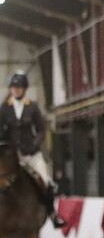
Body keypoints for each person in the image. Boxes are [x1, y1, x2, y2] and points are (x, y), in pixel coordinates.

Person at [0, 72, 66, 227]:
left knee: (46, 181)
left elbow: (41, 130)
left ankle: (52, 214)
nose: (16, 90)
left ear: (24, 89)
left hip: (31, 154)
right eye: (14, 88)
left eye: (19, 88)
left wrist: (35, 144)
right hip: (11, 155)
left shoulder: (32, 107)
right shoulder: (4, 108)